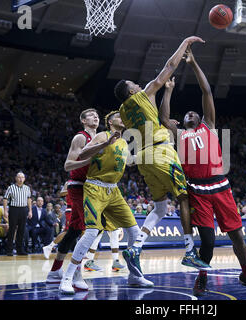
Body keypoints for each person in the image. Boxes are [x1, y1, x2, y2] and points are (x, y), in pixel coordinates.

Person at [159, 47, 246, 296]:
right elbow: (164, 119)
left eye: (193, 112)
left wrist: (194, 63)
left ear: (200, 117)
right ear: (183, 121)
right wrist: (168, 91)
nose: (190, 113)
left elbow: (206, 91)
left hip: (221, 186)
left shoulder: (209, 125)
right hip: (198, 190)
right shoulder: (180, 134)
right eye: (186, 113)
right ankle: (203, 276)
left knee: (237, 236)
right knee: (207, 242)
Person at [114, 35, 210, 274]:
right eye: (134, 84)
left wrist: (167, 94)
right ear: (131, 91)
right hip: (161, 153)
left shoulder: (124, 112)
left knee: (159, 208)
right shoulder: (143, 94)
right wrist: (184, 43)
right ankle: (189, 251)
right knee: (184, 198)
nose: (138, 84)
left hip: (145, 159)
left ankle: (135, 248)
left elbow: (152, 120)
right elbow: (169, 67)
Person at [59, 111, 150, 295]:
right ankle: (67, 278)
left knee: (135, 232)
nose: (123, 119)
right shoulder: (103, 135)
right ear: (110, 122)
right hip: (95, 187)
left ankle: (134, 274)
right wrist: (105, 143)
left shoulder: (124, 142)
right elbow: (82, 153)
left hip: (114, 190)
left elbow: (129, 162)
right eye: (119, 116)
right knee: (91, 231)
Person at [46, 109, 105, 284]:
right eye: (91, 115)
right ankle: (76, 273)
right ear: (83, 121)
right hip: (78, 186)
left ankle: (55, 271)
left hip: (92, 187)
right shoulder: (80, 137)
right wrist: (90, 161)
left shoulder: (100, 139)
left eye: (97, 114)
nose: (96, 116)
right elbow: (68, 165)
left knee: (74, 231)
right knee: (92, 226)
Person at [3, 172, 32, 256]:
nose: (20, 179)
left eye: (22, 177)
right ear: (16, 178)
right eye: (19, 177)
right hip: (14, 209)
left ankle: (20, 250)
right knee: (12, 229)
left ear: (24, 179)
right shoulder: (11, 187)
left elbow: (29, 199)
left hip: (24, 209)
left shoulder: (27, 188)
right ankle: (9, 250)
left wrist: (30, 210)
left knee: (21, 230)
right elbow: (5, 199)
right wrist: (5, 210)